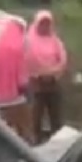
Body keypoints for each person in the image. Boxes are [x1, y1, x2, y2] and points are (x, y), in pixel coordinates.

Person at [0, 16, 33, 143]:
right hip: (16, 99)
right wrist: (28, 94)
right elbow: (22, 81)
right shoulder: (17, 48)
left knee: (2, 138)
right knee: (24, 134)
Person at [26, 10, 68, 142]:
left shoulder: (55, 40)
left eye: (47, 24)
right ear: (36, 24)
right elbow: (26, 60)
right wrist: (39, 73)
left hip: (53, 81)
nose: (45, 27)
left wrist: (53, 72)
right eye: (42, 23)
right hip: (36, 82)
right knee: (36, 114)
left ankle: (58, 140)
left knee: (55, 114)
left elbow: (63, 59)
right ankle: (36, 140)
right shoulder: (28, 40)